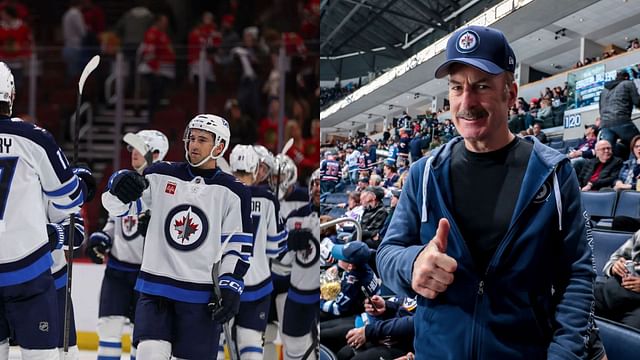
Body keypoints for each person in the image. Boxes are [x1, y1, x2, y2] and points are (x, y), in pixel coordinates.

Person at [376, 26, 595, 359]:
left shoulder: (554, 174)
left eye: (481, 86)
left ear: (510, 94)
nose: (467, 102)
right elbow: (388, 252)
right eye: (456, 87)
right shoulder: (423, 174)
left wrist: (565, 355)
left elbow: (578, 275)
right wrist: (412, 264)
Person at [101, 114, 253, 358]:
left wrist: (231, 283)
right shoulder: (160, 174)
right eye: (191, 138)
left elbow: (238, 246)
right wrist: (115, 186)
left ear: (220, 146)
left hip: (200, 296)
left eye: (202, 139)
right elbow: (119, 208)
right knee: (149, 353)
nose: (194, 144)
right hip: (155, 289)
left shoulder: (234, 192)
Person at [0, 62, 91, 358]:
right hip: (27, 270)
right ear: (11, 95)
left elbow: (72, 232)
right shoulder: (33, 139)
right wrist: (81, 183)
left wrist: (60, 233)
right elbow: (70, 200)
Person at [86, 130, 169, 359]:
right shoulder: (125, 182)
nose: (132, 152)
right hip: (116, 271)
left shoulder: (165, 188)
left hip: (147, 276)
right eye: (131, 147)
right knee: (108, 332)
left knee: (140, 341)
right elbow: (114, 222)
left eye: (139, 147)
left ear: (155, 153)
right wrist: (103, 238)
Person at [223, 144, 288, 359]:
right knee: (251, 346)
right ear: (254, 167)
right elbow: (276, 248)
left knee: (215, 343)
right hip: (257, 283)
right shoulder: (268, 199)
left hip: (222, 280)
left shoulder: (220, 193)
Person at [280, 169, 321, 360]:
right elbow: (280, 257)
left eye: (320, 183)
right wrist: (288, 243)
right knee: (293, 348)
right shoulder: (295, 217)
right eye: (313, 183)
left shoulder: (339, 220)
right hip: (299, 294)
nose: (316, 188)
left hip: (324, 294)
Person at [320, 241, 379, 354]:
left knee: (319, 332)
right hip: (359, 309)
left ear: (350, 266)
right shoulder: (365, 262)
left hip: (360, 319)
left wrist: (320, 300)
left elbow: (337, 309)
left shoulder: (352, 282)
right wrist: (337, 267)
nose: (339, 259)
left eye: (341, 258)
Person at [595, 230, 640, 330]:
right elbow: (615, 258)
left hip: (636, 305)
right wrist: (614, 266)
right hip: (612, 292)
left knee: (627, 335)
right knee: (574, 300)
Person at [599, 70, 640, 159]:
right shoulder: (628, 83)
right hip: (621, 120)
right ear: (626, 77)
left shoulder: (604, 90)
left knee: (608, 153)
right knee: (637, 142)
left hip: (605, 124)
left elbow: (600, 108)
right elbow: (637, 102)